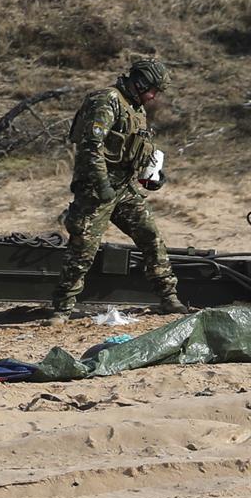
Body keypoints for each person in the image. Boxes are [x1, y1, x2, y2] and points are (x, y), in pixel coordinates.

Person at [47, 58, 188, 322]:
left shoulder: (136, 109)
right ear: (141, 83)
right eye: (153, 90)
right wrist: (102, 186)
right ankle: (61, 309)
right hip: (96, 189)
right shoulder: (108, 101)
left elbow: (137, 148)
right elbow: (90, 147)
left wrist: (155, 175)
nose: (154, 96)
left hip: (123, 187)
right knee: (83, 248)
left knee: (150, 236)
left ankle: (169, 297)